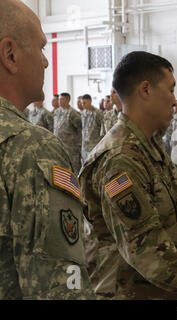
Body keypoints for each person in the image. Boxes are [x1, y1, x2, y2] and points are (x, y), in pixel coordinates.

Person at [79, 51, 177, 300]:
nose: (174, 100)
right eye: (171, 90)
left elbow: (174, 216)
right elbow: (144, 248)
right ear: (146, 90)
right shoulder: (121, 158)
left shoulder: (148, 147)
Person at [0, 0, 93, 299]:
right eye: (41, 48)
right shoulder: (31, 149)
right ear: (10, 54)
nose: (46, 61)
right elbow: (61, 289)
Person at [54, 92, 83, 174]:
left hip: (71, 148)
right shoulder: (57, 112)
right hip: (59, 146)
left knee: (73, 169)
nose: (59, 101)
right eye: (59, 99)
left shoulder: (73, 113)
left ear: (67, 100)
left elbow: (80, 129)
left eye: (61, 99)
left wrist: (78, 145)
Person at [163, 99, 177, 178]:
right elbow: (169, 132)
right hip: (171, 146)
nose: (175, 107)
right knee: (173, 168)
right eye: (175, 105)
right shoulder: (173, 118)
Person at [80, 94, 104, 162]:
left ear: (90, 101)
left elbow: (103, 129)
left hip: (94, 145)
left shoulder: (98, 113)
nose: (83, 105)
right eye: (82, 103)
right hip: (84, 146)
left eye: (84, 103)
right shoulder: (83, 113)